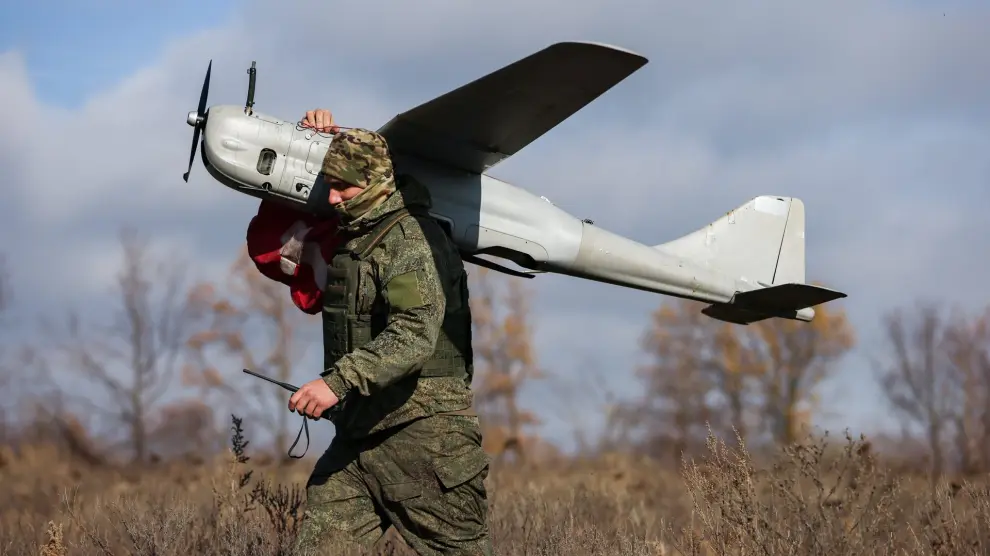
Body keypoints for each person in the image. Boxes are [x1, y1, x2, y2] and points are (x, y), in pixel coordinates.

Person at [279, 109, 492, 556]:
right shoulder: (359, 238)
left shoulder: (410, 239)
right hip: (360, 438)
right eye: (329, 185)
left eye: (343, 187)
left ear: (375, 185)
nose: (333, 198)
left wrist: (335, 383)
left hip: (425, 440)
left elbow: (415, 333)